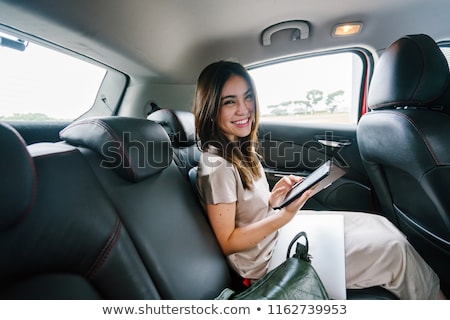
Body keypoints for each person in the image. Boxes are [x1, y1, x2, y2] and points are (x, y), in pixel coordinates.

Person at [192, 60, 446, 300]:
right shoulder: (217, 166)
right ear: (211, 109)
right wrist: (282, 216)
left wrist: (273, 199)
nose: (243, 108)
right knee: (393, 250)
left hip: (275, 233)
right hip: (265, 261)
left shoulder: (238, 148)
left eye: (247, 96)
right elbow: (228, 242)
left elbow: (245, 210)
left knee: (378, 225)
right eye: (229, 102)